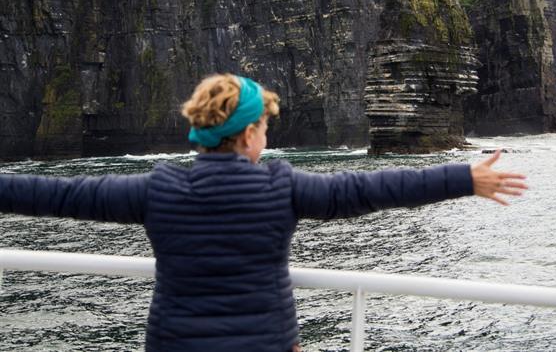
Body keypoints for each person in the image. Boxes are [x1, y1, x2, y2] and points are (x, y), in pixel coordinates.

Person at [0, 73, 528, 352]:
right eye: (266, 128)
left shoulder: (158, 189)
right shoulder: (281, 187)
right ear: (250, 133)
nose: (267, 136)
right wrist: (464, 178)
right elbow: (369, 189)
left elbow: (58, 195)